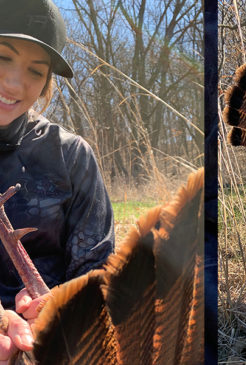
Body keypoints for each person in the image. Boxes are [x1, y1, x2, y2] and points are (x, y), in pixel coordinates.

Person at [0, 0, 114, 362]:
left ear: (48, 81)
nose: (15, 83)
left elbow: (96, 276)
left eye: (36, 71)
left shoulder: (71, 155)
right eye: (3, 57)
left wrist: (58, 305)